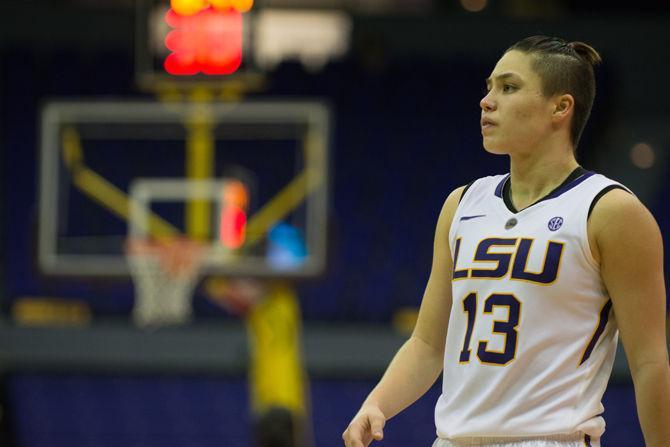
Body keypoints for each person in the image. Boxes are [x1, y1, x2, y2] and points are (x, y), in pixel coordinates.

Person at [342, 35, 670, 447]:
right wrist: (378, 403)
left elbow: (649, 360)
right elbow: (427, 343)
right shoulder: (462, 204)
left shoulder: (610, 211)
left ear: (560, 107)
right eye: (489, 87)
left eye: (509, 87)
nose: (487, 101)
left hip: (550, 438)